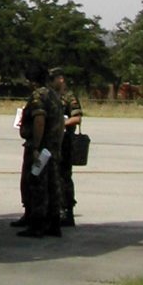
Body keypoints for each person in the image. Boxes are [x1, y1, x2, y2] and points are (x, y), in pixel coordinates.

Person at [12, 61, 64, 238]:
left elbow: (39, 120)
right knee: (52, 185)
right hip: (53, 149)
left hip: (41, 151)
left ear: (32, 81)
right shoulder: (55, 95)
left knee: (37, 184)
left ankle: (37, 225)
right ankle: (54, 222)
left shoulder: (37, 97)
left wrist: (36, 146)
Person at [49, 66, 83, 226]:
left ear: (60, 79)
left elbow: (77, 118)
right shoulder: (50, 95)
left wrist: (61, 124)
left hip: (65, 141)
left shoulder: (69, 96)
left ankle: (67, 210)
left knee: (63, 176)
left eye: (53, 78)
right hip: (52, 140)